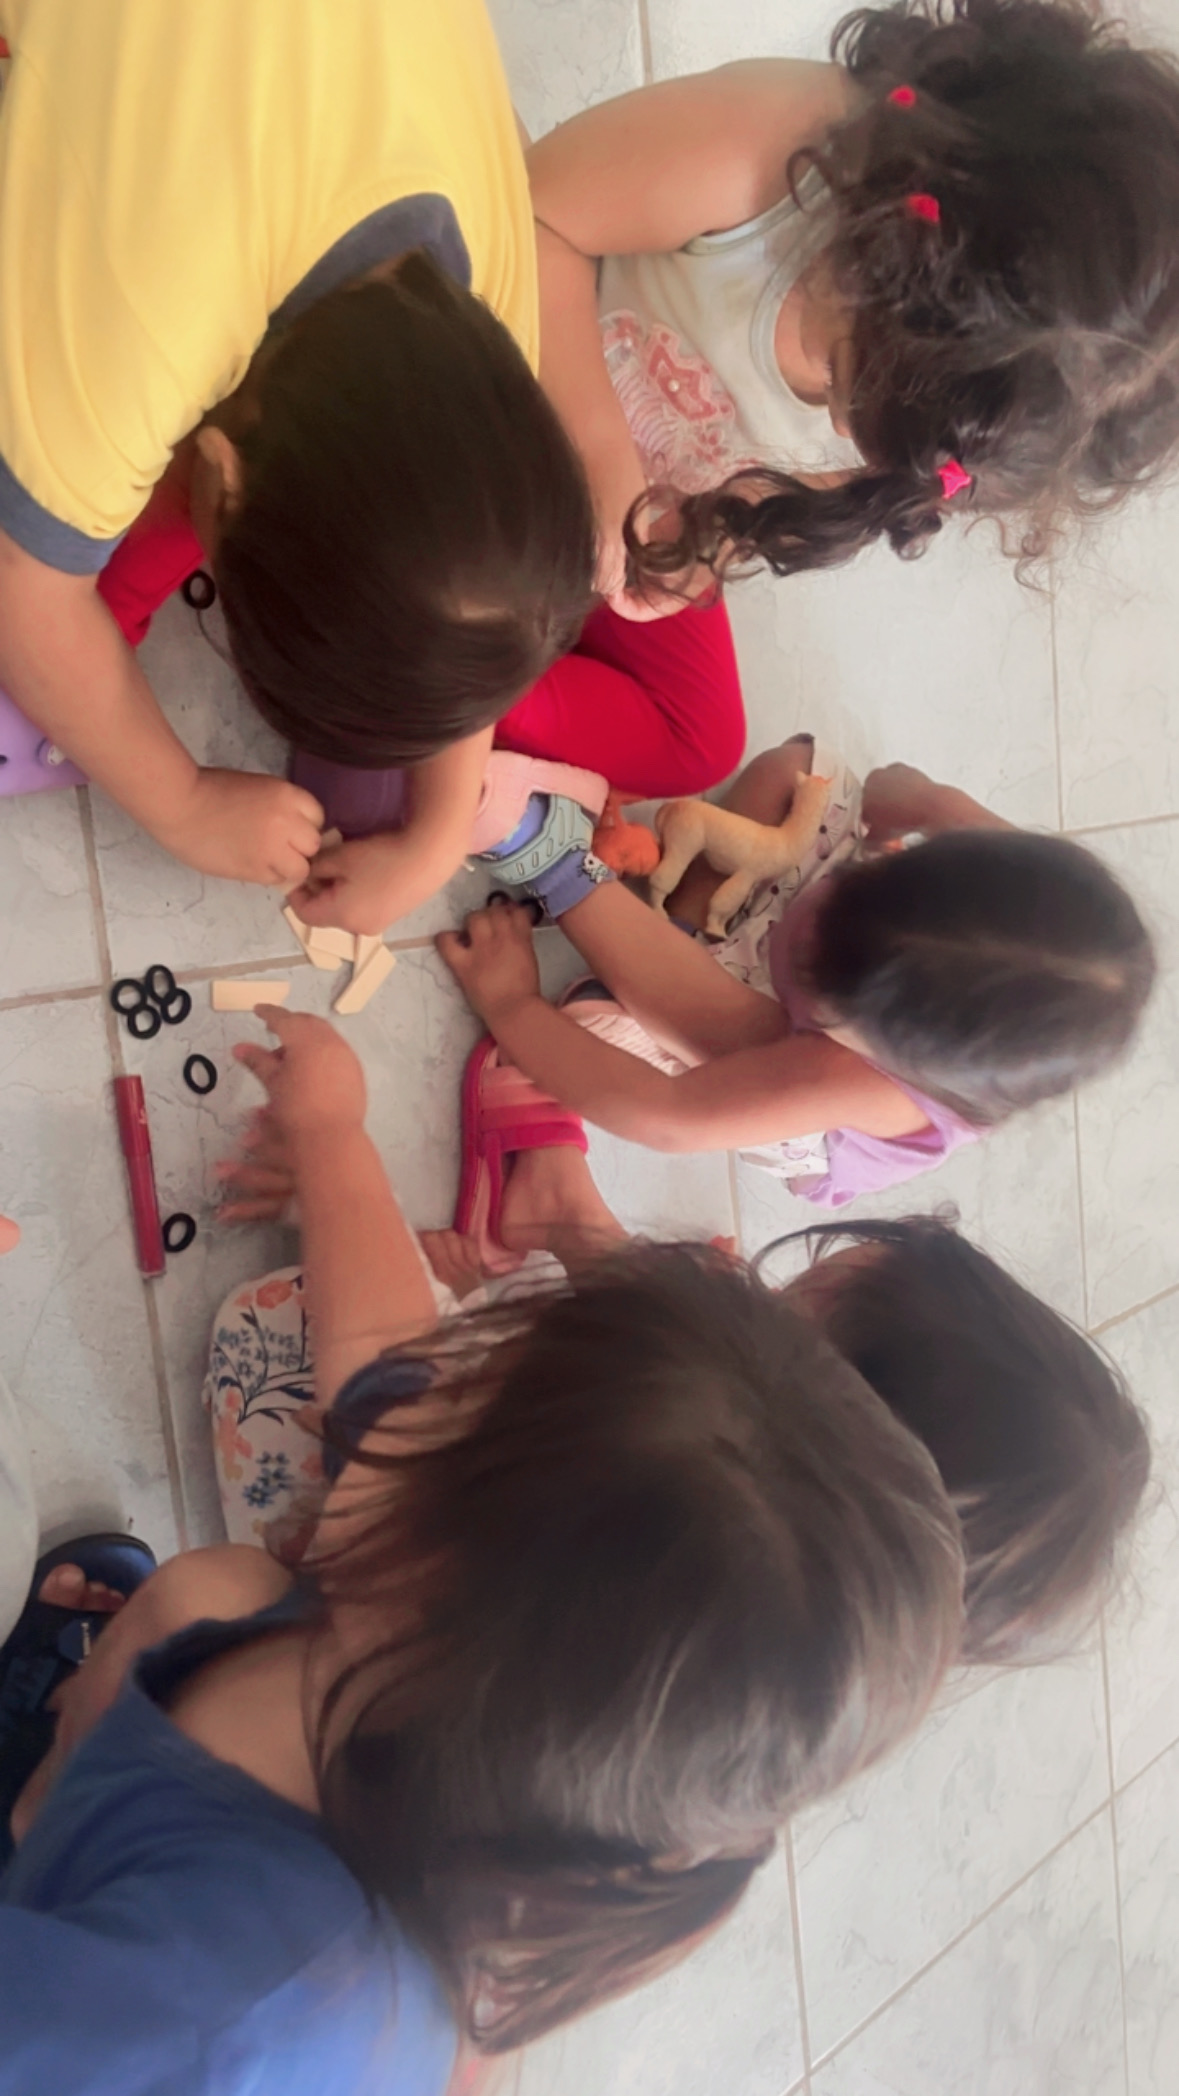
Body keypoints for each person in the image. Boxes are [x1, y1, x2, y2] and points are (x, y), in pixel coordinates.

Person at [0, 1011, 964, 2093]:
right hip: (118, 1845)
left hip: (82, 1970)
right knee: (210, 1590)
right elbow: (379, 1345)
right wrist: (331, 1134)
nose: (422, 1373)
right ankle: (43, 1782)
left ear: (434, 1569)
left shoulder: (214, 2010)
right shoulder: (466, 1683)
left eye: (462, 1385)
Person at [0, 0, 595, 913]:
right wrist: (183, 804)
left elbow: (479, 584)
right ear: (220, 471)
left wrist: (438, 836)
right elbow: (22, 590)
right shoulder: (145, 327)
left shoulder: (493, 325)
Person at [527, 0, 1179, 608]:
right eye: (842, 372)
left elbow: (758, 486)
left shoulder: (950, 421)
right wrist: (598, 447)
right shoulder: (773, 146)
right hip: (504, 322)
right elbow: (530, 215)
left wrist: (701, 544)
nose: (839, 427)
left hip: (577, 504)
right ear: (883, 240)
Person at [417, 1207, 1150, 1667]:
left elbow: (419, 1438)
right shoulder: (778, 1564)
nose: (750, 1296)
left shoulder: (633, 1514)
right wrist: (582, 1234)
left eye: (777, 1309)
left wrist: (452, 1311)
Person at [436, 748, 1156, 1207]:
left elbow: (666, 1117)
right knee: (797, 771)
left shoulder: (858, 1082)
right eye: (868, 881)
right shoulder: (1007, 897)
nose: (804, 925)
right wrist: (932, 804)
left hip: (791, 1088)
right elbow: (978, 835)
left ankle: (566, 871)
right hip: (850, 995)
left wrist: (512, 1004)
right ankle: (687, 928)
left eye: (810, 970)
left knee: (594, 1026)